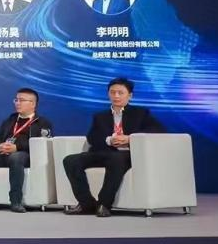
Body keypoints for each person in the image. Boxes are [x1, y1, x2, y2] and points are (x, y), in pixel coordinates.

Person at [63, 77, 165, 217]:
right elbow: (92, 137)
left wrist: (130, 138)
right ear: (108, 94)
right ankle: (86, 204)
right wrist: (109, 140)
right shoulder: (100, 116)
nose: (116, 96)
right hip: (105, 152)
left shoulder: (140, 113)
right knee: (70, 160)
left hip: (128, 154)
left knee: (115, 159)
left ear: (130, 95)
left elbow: (158, 130)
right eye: (112, 92)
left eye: (120, 93)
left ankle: (104, 204)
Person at [0, 88, 53, 213]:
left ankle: (16, 201)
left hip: (26, 155)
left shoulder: (42, 122)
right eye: (16, 100)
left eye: (21, 100)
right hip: (4, 154)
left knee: (15, 157)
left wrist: (17, 147)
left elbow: (41, 143)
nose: (17, 103)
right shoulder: (10, 120)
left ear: (33, 104)